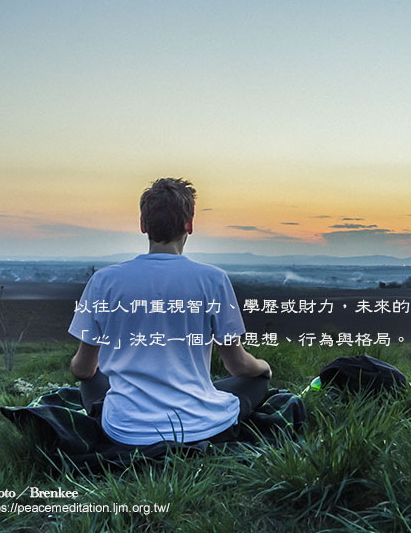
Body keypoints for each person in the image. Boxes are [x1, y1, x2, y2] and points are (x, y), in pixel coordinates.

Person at [67, 177, 271, 447]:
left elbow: (82, 370)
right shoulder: (213, 280)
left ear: (143, 225)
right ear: (189, 224)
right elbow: (238, 366)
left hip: (125, 430)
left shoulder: (103, 281)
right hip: (199, 426)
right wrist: (264, 368)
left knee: (92, 379)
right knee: (255, 382)